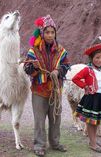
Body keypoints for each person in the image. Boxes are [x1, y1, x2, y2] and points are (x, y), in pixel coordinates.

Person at [23, 15, 70, 157]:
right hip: (39, 90)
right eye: (47, 32)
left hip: (56, 90)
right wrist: (34, 67)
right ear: (42, 33)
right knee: (39, 119)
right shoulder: (33, 51)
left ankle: (55, 143)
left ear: (55, 34)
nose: (50, 35)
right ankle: (39, 145)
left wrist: (58, 71)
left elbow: (67, 66)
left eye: (52, 32)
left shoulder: (61, 51)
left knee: (55, 117)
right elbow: (27, 70)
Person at [72, 39, 101, 153]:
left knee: (96, 121)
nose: (100, 60)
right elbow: (75, 78)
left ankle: (92, 141)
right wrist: (85, 86)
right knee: (91, 122)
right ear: (91, 59)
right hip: (92, 98)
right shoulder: (88, 70)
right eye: (97, 58)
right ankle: (93, 143)